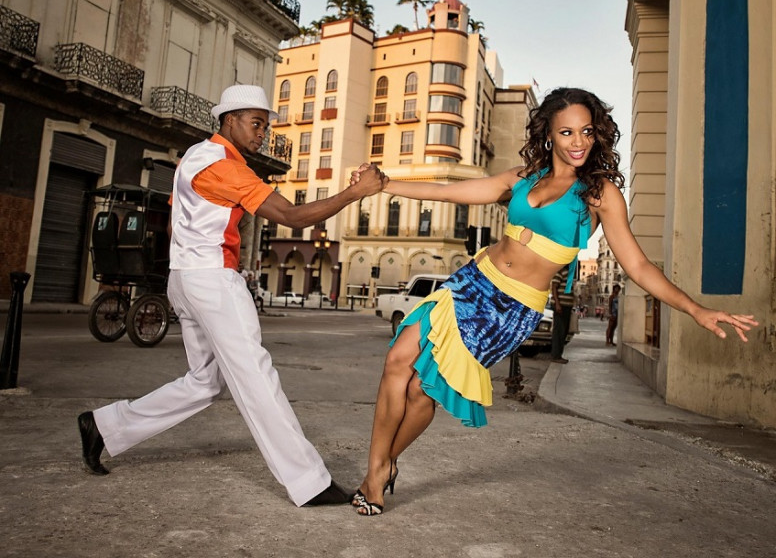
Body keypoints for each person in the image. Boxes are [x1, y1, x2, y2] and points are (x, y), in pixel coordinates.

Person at [348, 87, 757, 516]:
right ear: (549, 135)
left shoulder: (599, 195)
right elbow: (454, 192)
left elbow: (636, 265)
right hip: (473, 281)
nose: (578, 142)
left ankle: (390, 461)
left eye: (586, 131)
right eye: (567, 132)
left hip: (509, 310)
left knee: (421, 389)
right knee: (398, 359)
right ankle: (376, 473)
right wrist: (385, 185)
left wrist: (696, 309)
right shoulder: (522, 179)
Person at [77, 84, 386, 507]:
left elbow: (172, 223)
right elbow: (291, 217)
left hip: (183, 276)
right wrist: (356, 193)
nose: (262, 133)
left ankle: (105, 427)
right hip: (213, 280)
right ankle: (309, 482)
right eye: (255, 123)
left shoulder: (191, 158)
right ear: (229, 120)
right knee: (256, 378)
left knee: (204, 383)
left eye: (265, 125)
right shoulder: (227, 167)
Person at [550, 264, 575, 363]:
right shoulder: (559, 271)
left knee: (564, 331)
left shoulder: (568, 274)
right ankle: (556, 356)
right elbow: (554, 287)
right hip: (560, 306)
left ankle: (558, 354)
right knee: (559, 331)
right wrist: (557, 304)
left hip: (566, 306)